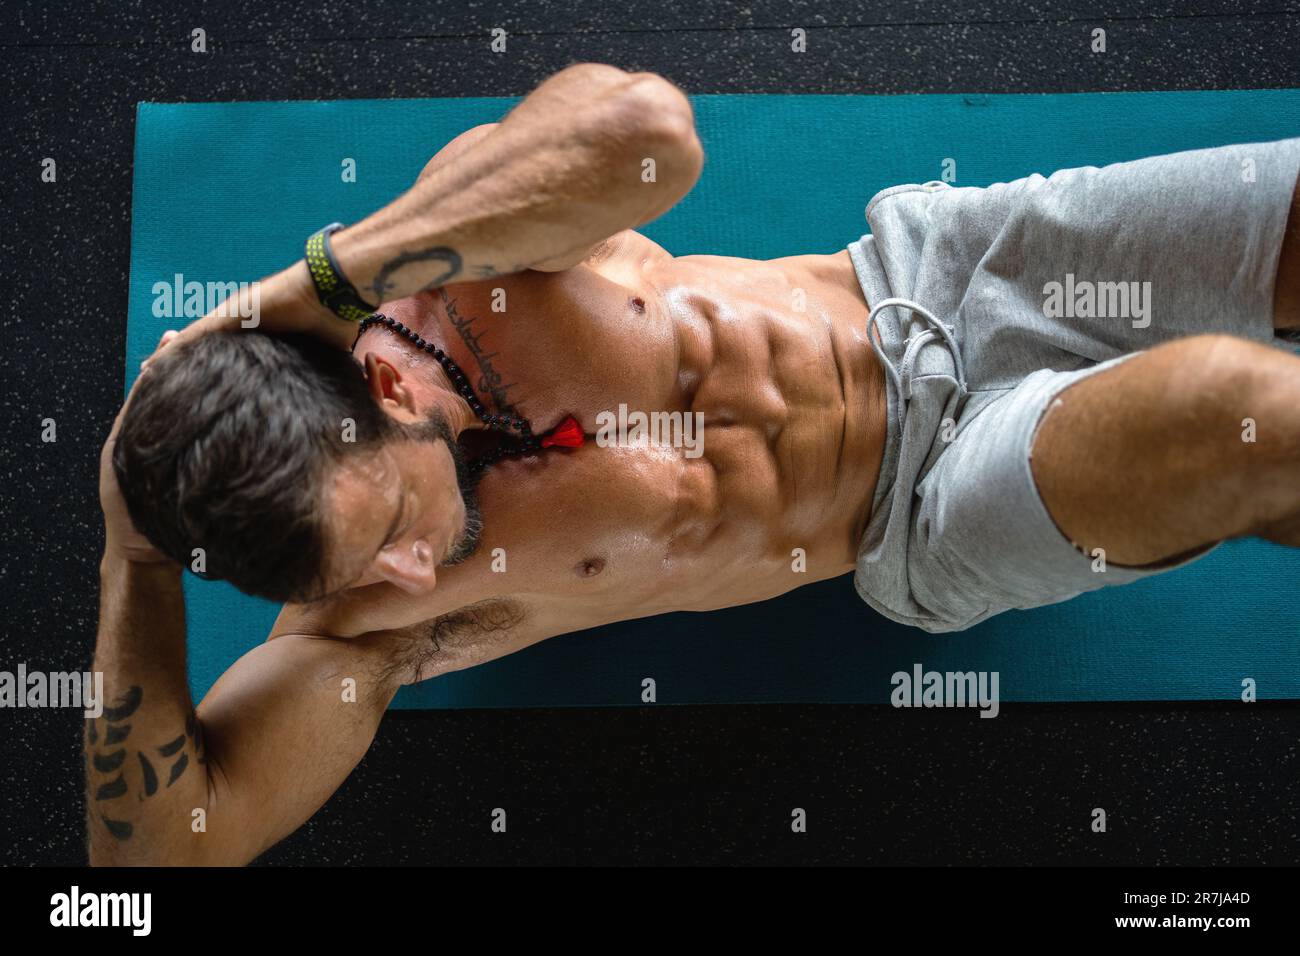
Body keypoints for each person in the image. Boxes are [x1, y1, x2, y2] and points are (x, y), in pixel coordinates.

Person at [90, 62, 1300, 864]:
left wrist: (310, 285)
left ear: (389, 387)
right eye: (369, 565)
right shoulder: (370, 621)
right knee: (1237, 412)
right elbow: (159, 864)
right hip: (924, 512)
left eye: (393, 519)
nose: (407, 569)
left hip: (951, 268)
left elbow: (645, 134)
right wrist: (130, 554)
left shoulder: (461, 259)